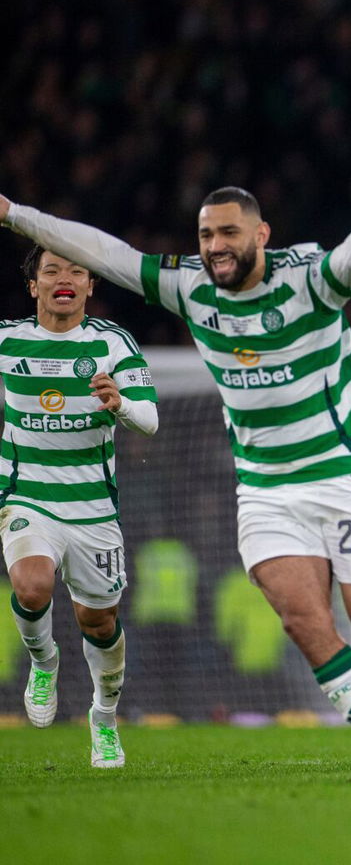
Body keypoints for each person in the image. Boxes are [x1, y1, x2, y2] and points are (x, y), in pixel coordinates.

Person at [0, 169, 351, 782]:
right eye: (206, 235)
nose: (215, 246)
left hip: (340, 474)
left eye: (228, 233)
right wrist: (15, 211)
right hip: (263, 489)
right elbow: (107, 252)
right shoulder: (190, 287)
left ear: (261, 234)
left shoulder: (308, 278)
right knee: (301, 619)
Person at [1, 247, 158, 768]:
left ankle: (104, 718)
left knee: (99, 621)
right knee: (32, 583)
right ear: (34, 286)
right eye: (51, 271)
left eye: (76, 272)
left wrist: (122, 404)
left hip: (92, 508)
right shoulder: (8, 340)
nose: (63, 279)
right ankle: (44, 661)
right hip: (28, 495)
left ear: (90, 286)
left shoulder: (113, 344)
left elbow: (151, 420)